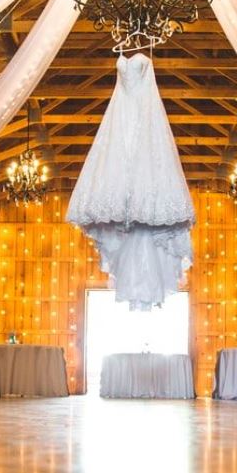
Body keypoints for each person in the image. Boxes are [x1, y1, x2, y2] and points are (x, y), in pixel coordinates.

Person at [66, 52, 195, 311]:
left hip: (146, 124)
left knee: (148, 202)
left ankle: (146, 286)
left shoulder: (145, 60)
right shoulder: (125, 54)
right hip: (120, 122)